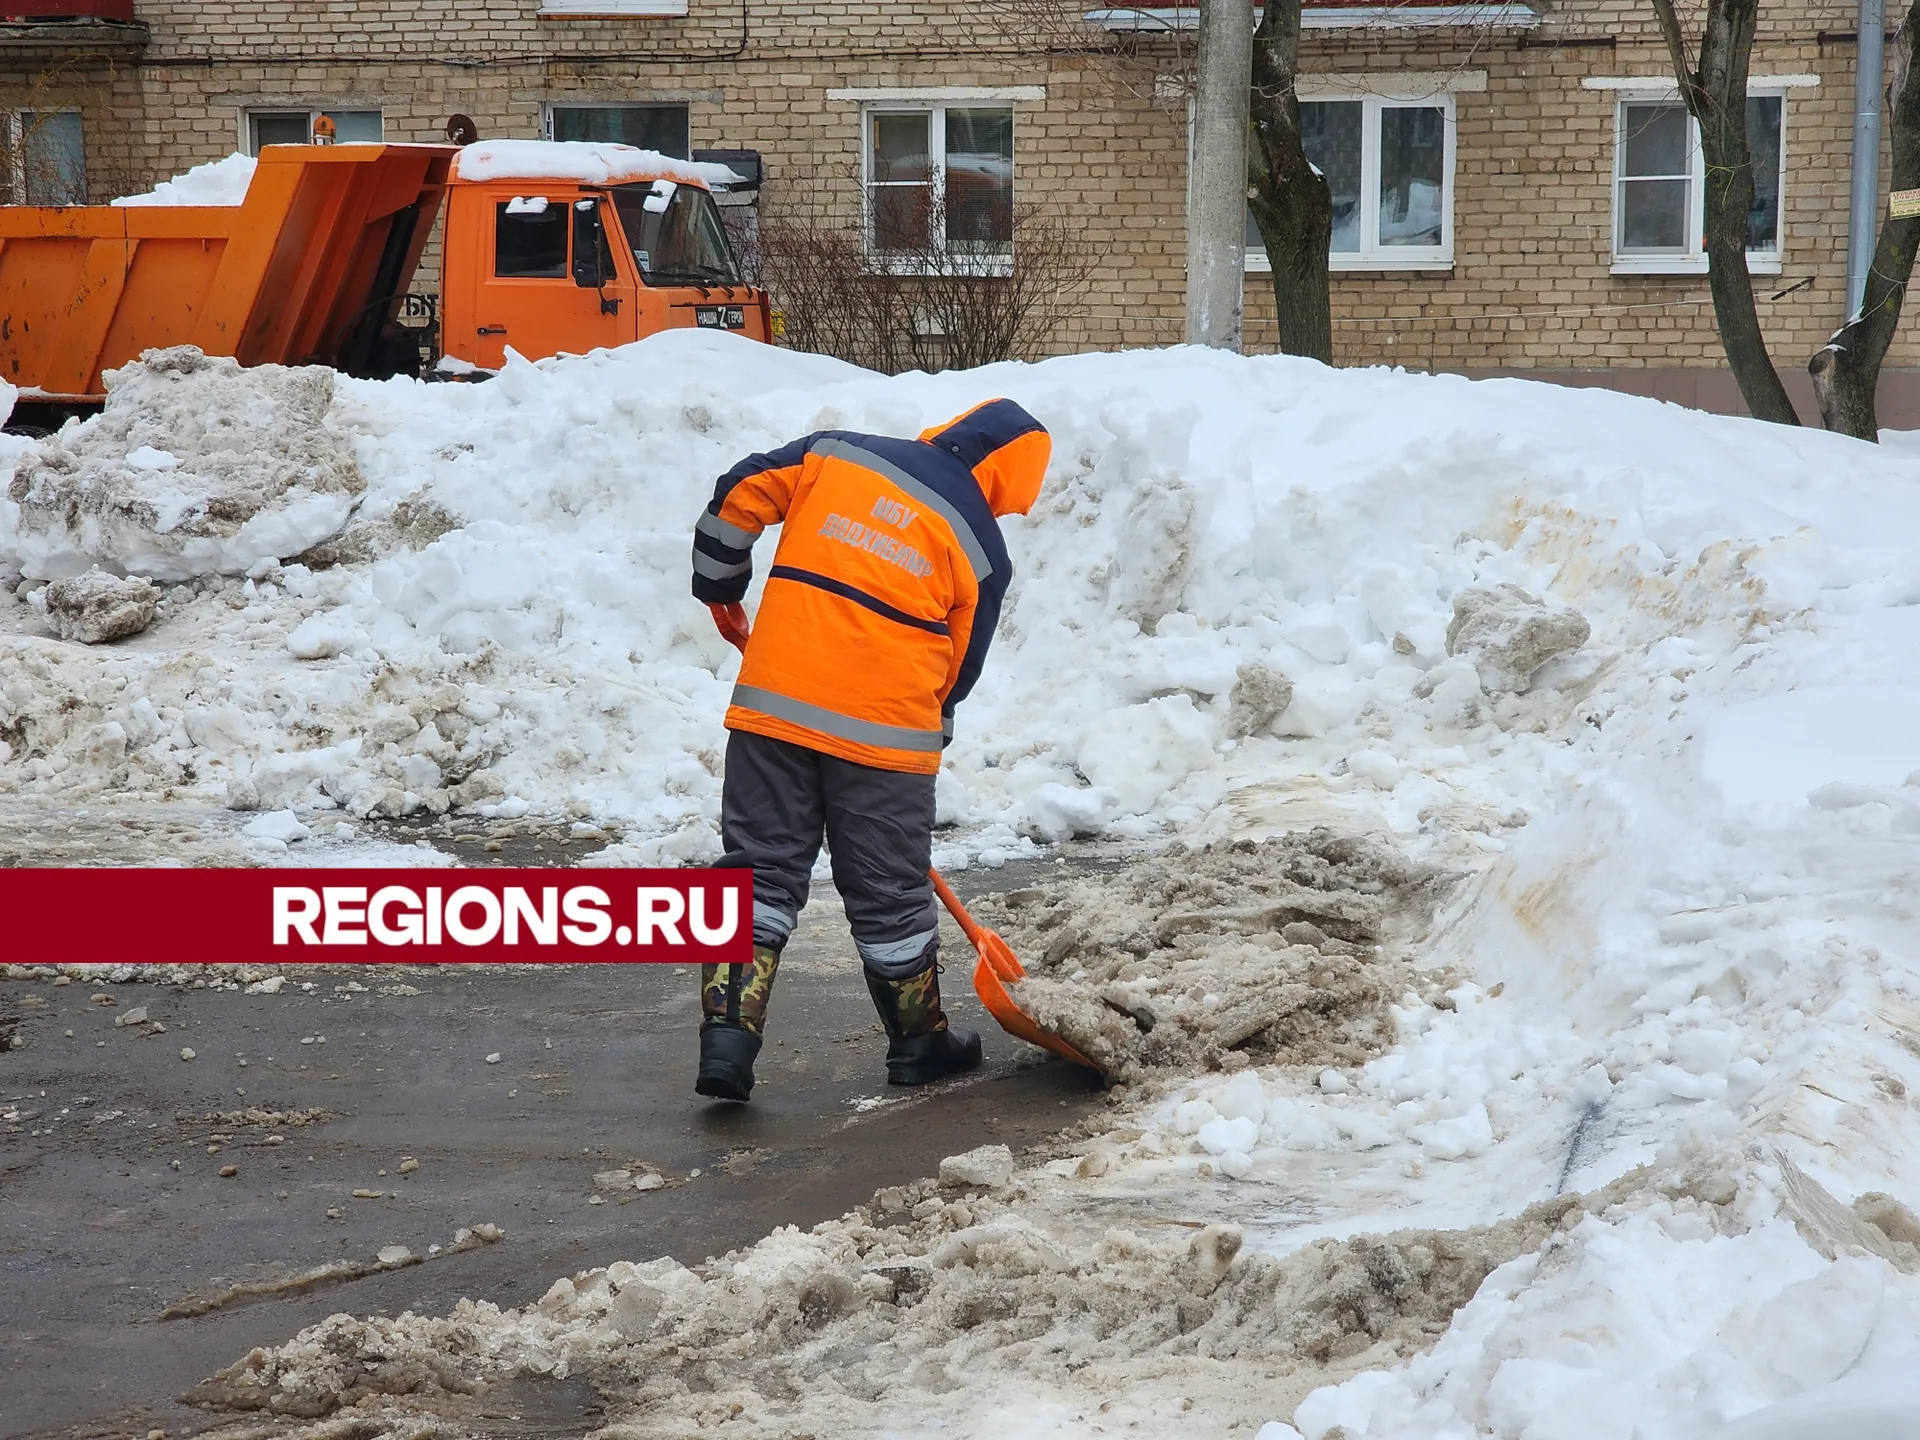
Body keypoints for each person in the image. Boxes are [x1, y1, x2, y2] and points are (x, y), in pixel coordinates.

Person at [688, 398, 1051, 1102]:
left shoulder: (838, 453)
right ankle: (919, 1043)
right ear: (1006, 483)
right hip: (885, 739)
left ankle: (727, 1043)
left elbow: (740, 493)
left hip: (774, 711)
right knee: (888, 892)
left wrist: (719, 585)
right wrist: (929, 729)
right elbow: (958, 669)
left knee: (757, 873)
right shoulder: (982, 548)